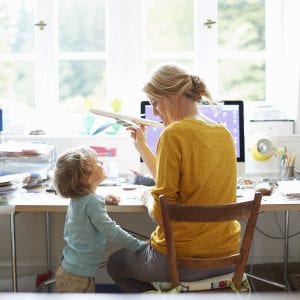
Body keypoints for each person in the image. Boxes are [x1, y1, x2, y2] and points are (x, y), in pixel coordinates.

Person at [107, 63, 240, 292]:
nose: (155, 112)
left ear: (173, 95)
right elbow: (169, 181)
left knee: (115, 264)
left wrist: (147, 196)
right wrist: (142, 146)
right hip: (227, 256)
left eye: (156, 103)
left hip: (182, 260)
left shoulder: (173, 134)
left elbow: (161, 213)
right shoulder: (223, 132)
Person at [53, 146, 147, 293]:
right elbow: (112, 232)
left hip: (68, 269)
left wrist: (103, 199)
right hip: (78, 278)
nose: (101, 163)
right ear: (86, 177)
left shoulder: (79, 199)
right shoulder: (92, 203)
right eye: (97, 162)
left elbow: (88, 207)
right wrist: (139, 245)